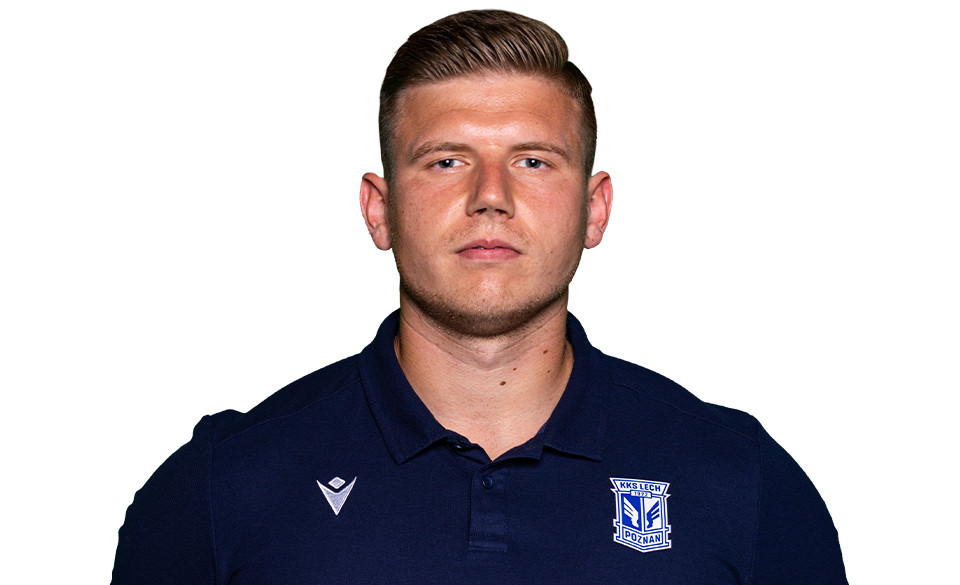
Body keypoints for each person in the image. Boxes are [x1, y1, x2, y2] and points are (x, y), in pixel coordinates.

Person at [112, 9, 846, 584]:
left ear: (594, 209)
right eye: (445, 161)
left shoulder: (740, 483)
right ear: (379, 209)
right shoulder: (222, 488)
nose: (490, 195)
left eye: (533, 161)